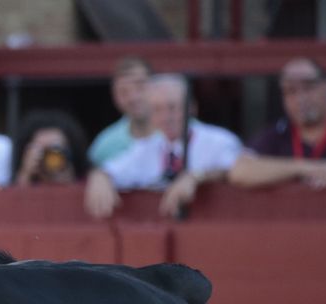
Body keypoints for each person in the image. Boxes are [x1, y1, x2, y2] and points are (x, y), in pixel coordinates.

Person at [85, 74, 241, 220]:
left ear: (192, 108)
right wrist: (100, 177)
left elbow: (237, 169)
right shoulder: (148, 147)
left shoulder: (220, 141)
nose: (166, 117)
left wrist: (196, 177)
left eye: (172, 107)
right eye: (157, 110)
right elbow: (113, 169)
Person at [229, 56, 326, 189]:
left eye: (308, 88)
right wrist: (305, 167)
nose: (301, 99)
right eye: (291, 91)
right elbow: (240, 171)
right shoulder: (279, 131)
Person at [87, 56, 151, 167]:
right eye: (123, 91)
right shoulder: (104, 145)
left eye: (140, 86)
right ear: (114, 97)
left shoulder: (185, 132)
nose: (133, 97)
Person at [12, 109, 88, 186]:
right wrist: (25, 175)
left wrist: (69, 180)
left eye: (56, 150)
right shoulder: (26, 179)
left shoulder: (90, 183)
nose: (48, 156)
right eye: (41, 151)